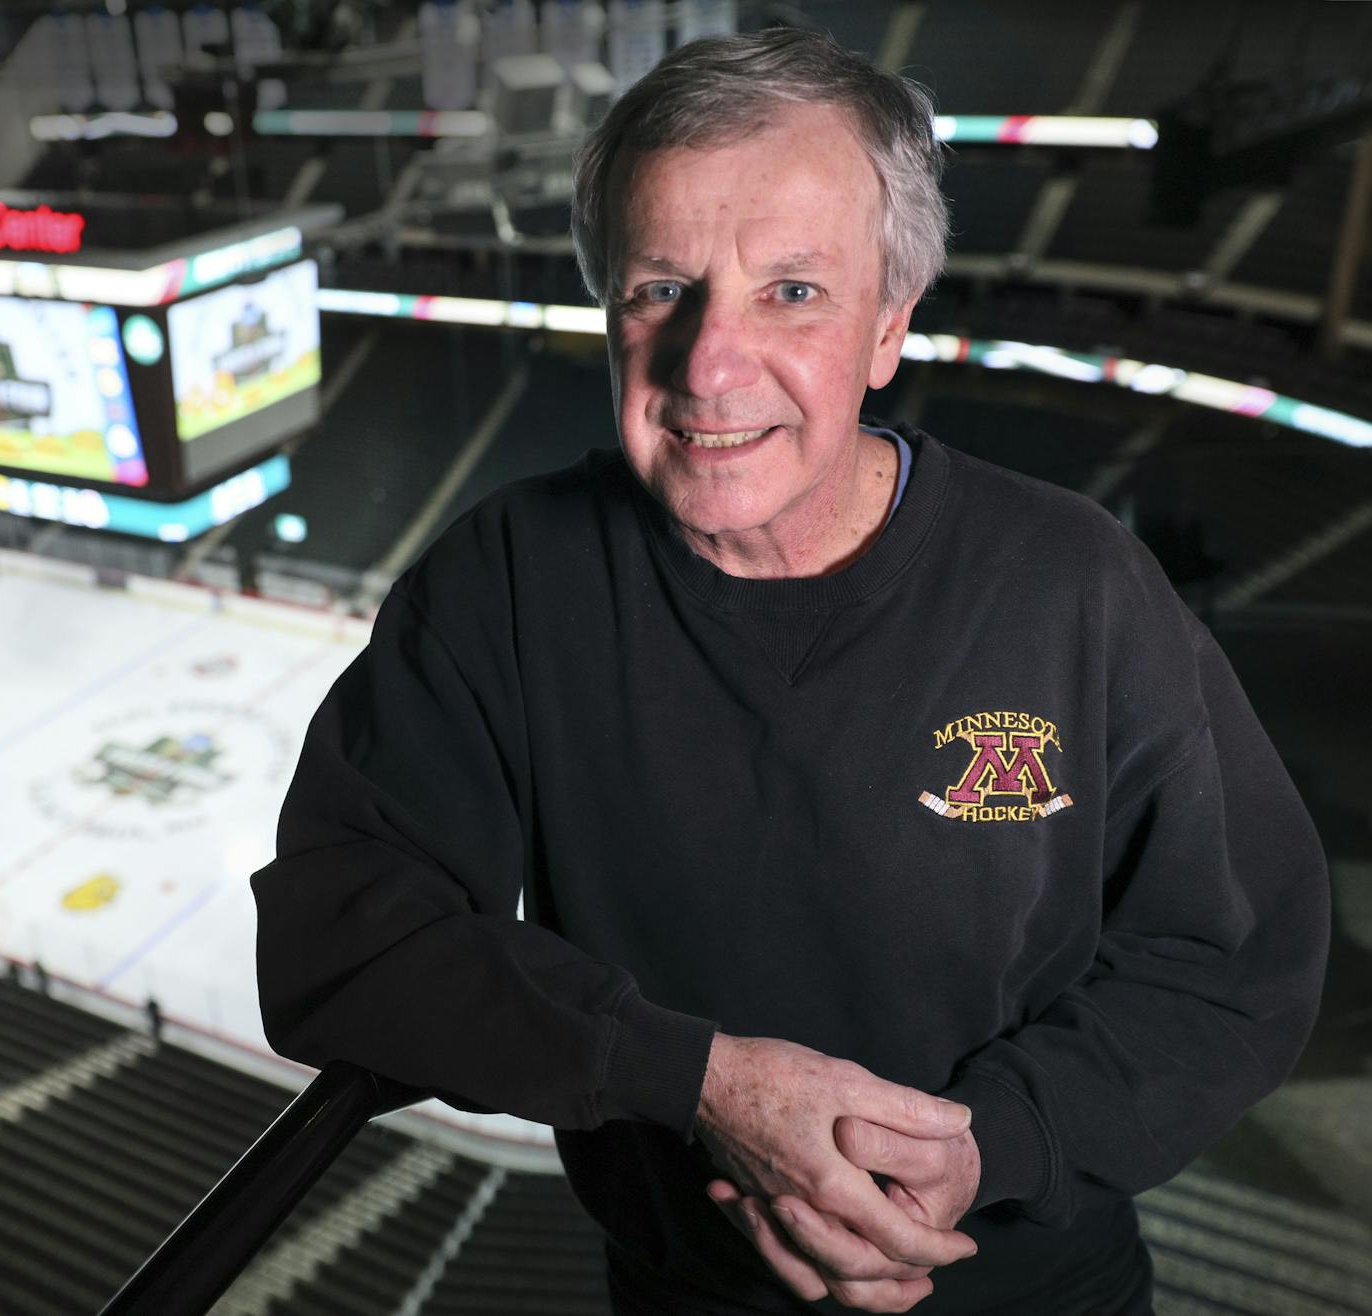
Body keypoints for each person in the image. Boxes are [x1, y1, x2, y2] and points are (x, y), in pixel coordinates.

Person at [252, 29, 1329, 1315]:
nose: (707, 365)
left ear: (888, 325)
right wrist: (692, 1080)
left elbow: (1232, 957)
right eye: (661, 288)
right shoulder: (504, 583)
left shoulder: (1075, 581)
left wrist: (986, 1142)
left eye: (792, 292)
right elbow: (335, 936)